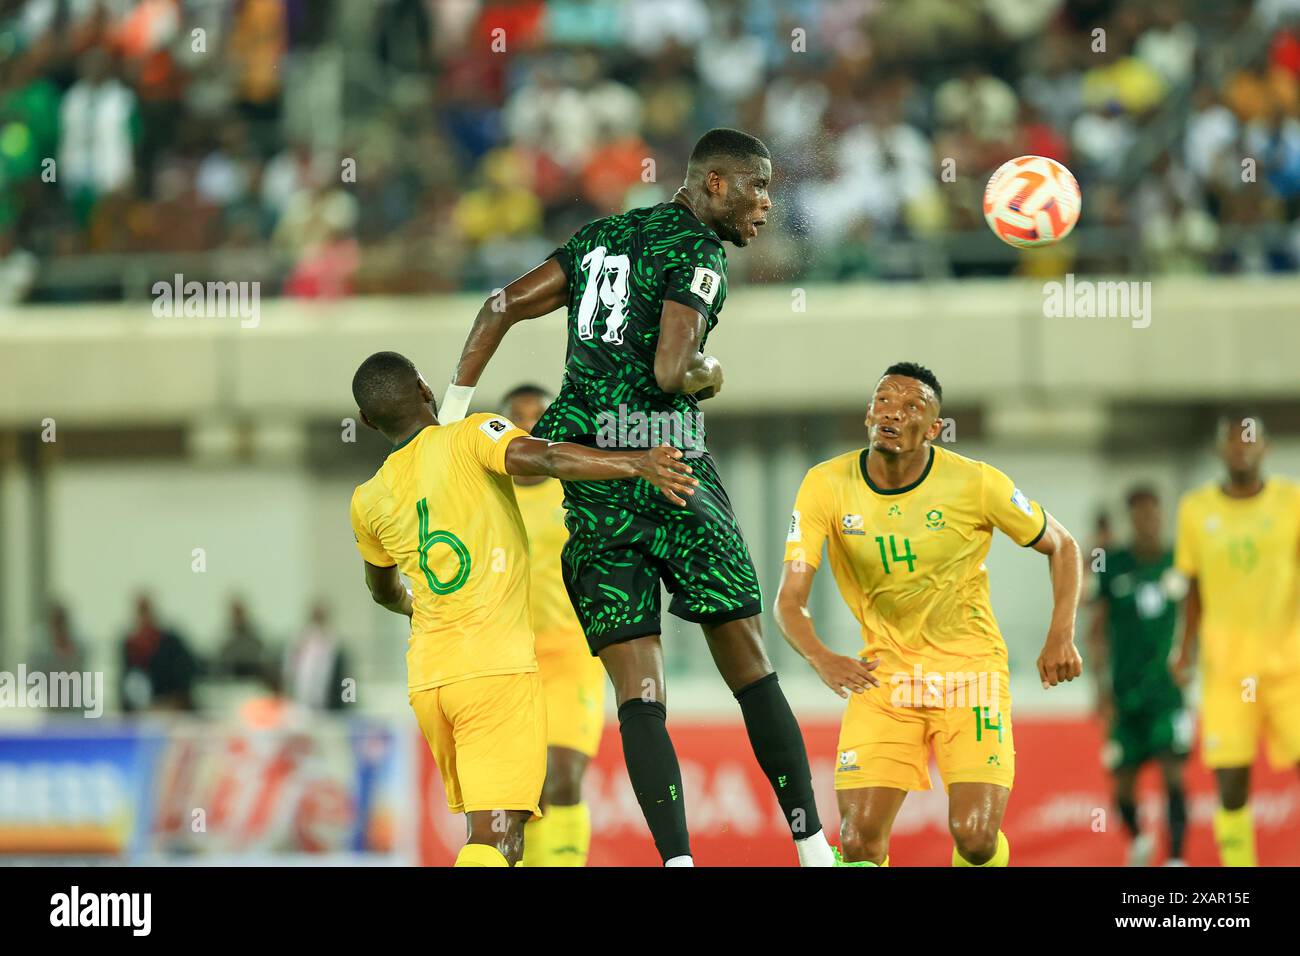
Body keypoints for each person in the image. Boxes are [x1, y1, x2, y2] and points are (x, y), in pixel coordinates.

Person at [441, 128, 835, 867]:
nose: (766, 206)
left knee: (638, 689)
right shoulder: (699, 251)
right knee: (749, 665)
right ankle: (813, 848)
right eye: (759, 188)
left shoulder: (600, 236)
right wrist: (709, 372)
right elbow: (669, 369)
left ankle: (678, 863)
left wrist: (449, 415)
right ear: (715, 184)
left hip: (594, 477)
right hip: (672, 468)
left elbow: (498, 306)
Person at [348, 350, 694, 867]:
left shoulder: (367, 499)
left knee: (503, 822)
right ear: (425, 389)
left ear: (368, 422)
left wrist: (411, 604)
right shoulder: (472, 434)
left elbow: (381, 588)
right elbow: (550, 456)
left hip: (432, 678)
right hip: (497, 668)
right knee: (498, 836)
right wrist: (637, 462)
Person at [774, 362, 1084, 867]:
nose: (893, 412)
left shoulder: (976, 483)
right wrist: (820, 656)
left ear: (934, 429)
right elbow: (788, 602)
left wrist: (1060, 634)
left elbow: (1064, 545)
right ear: (868, 413)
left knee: (976, 836)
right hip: (886, 679)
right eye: (884, 400)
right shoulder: (825, 485)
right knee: (856, 840)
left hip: (971, 674)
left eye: (911, 406)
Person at [1171, 412, 1300, 866]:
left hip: (1290, 667)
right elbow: (1191, 586)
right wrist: (1182, 648)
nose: (1241, 449)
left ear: (1265, 448)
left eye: (1250, 441)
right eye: (1233, 441)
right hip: (1226, 671)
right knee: (1230, 784)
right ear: (1220, 451)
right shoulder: (1195, 509)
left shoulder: (1292, 502)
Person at [504, 383, 608, 867]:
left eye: (537, 415)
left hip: (572, 655)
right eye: (516, 416)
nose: (528, 424)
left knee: (562, 776)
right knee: (522, 794)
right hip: (508, 662)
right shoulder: (486, 494)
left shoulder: (579, 487)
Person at [1088, 486, 1189, 866]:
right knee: (1122, 785)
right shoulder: (1114, 564)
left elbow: (1197, 612)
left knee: (1173, 772)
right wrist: (1099, 689)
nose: (1147, 521)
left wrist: (1190, 659)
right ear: (1131, 519)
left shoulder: (1178, 561)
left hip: (1166, 690)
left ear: (1161, 516)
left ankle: (1177, 858)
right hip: (1124, 692)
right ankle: (1138, 837)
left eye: (1153, 513)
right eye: (1139, 514)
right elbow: (1096, 628)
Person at [120, 594, 199, 714]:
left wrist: (172, 703)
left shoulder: (171, 643)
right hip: (142, 711)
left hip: (173, 709)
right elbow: (126, 685)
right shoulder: (130, 646)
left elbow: (185, 679)